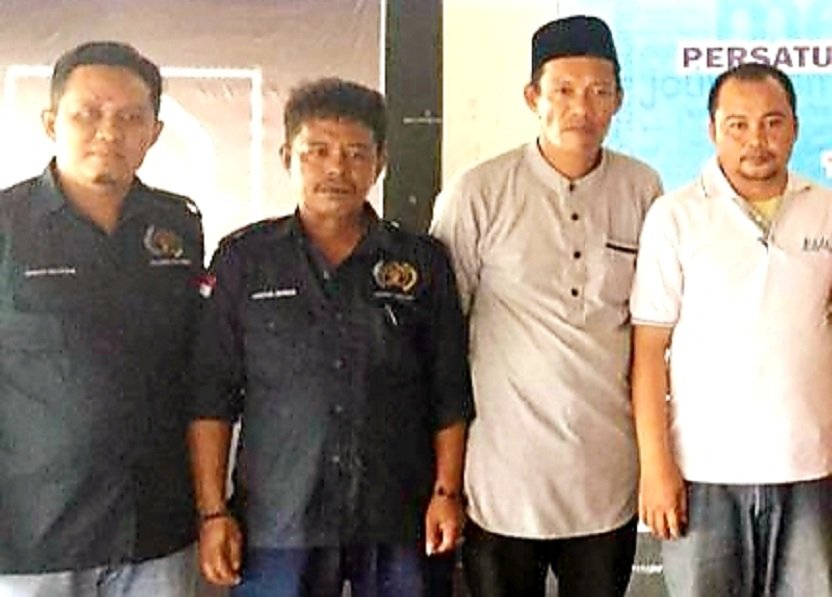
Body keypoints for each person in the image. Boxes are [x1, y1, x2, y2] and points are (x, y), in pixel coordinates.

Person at [188, 77, 473, 596]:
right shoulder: (244, 259)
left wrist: (446, 492)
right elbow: (211, 395)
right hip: (279, 519)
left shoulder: (421, 262)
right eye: (317, 151)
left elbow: (449, 391)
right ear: (287, 157)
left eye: (356, 153)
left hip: (399, 514)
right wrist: (213, 512)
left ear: (379, 163)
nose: (337, 169)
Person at [431, 14, 663, 597]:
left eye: (599, 91)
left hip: (605, 480)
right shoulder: (478, 193)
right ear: (533, 97)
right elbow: (441, 339)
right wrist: (444, 484)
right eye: (563, 90)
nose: (582, 106)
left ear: (619, 100)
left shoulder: (643, 190)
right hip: (502, 483)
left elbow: (651, 332)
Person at [0, 42, 203, 596]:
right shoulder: (8, 225)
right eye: (87, 114)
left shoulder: (178, 226)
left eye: (130, 118)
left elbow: (196, 364)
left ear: (154, 133)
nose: (108, 132)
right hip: (35, 537)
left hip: (157, 531)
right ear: (51, 123)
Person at [631, 61, 832, 596]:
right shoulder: (675, 216)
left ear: (795, 127)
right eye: (737, 125)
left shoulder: (825, 210)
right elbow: (648, 351)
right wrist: (655, 465)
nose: (756, 141)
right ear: (712, 129)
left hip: (811, 471)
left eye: (772, 122)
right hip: (703, 473)